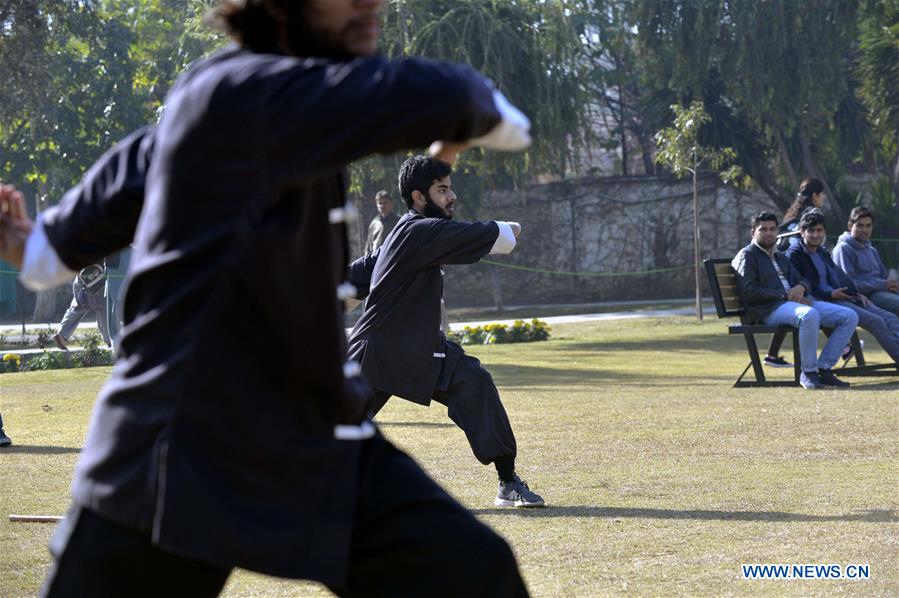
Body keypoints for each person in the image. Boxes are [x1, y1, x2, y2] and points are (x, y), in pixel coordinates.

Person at [0, 0, 536, 595]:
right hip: (180, 450)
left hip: (309, 440)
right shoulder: (241, 89)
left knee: (474, 573)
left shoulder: (235, 102)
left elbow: (121, 185)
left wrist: (41, 245)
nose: (369, 5)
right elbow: (444, 95)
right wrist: (478, 104)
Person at [346, 155, 545, 508]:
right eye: (442, 190)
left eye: (450, 188)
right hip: (377, 352)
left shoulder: (404, 232)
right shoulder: (422, 231)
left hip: (418, 349)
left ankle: (508, 483)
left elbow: (351, 281)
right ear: (419, 197)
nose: (451, 196)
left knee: (474, 381)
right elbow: (507, 233)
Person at [732, 212, 858, 389]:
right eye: (763, 229)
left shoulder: (779, 255)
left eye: (772, 229)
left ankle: (824, 369)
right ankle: (808, 373)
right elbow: (749, 292)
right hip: (769, 309)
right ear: (753, 232)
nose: (769, 233)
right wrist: (785, 295)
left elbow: (804, 280)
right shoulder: (748, 255)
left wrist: (802, 289)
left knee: (849, 316)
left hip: (793, 304)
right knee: (809, 315)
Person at [786, 210, 899, 363]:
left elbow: (841, 277)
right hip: (826, 301)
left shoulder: (822, 252)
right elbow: (806, 285)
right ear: (802, 232)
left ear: (824, 231)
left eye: (819, 230)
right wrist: (830, 294)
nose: (815, 235)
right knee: (876, 321)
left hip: (845, 297)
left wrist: (856, 293)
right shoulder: (795, 254)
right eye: (811, 231)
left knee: (890, 318)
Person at [764, 177, 828, 367]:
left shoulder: (792, 214)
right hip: (800, 265)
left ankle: (772, 354)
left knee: (792, 306)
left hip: (783, 266)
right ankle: (845, 347)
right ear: (815, 195)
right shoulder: (813, 213)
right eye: (822, 194)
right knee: (815, 301)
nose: (823, 198)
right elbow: (817, 244)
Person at [833, 206, 899, 317]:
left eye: (868, 226)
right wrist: (883, 284)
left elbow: (884, 277)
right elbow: (848, 286)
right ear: (850, 226)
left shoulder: (872, 250)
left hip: (883, 292)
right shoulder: (843, 249)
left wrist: (892, 284)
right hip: (865, 297)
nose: (865, 230)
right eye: (860, 225)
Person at [51, 263, 111, 350]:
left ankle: (61, 335)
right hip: (96, 277)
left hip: (83, 277)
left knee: (78, 306)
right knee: (103, 309)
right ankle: (109, 339)